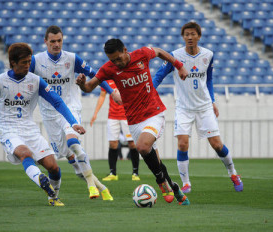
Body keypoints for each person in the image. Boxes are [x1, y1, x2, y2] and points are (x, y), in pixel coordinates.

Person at [76, 38, 190, 205]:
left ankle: (161, 182)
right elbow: (89, 87)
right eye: (112, 60)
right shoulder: (109, 68)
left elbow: (159, 51)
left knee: (142, 147)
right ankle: (175, 188)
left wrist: (179, 65)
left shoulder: (142, 54)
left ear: (125, 50)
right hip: (134, 120)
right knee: (155, 161)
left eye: (118, 58)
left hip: (154, 112)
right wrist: (82, 85)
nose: (116, 63)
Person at [0, 43, 86, 207]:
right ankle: (41, 179)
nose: (28, 65)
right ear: (13, 62)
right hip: (8, 129)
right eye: (24, 62)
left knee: (53, 167)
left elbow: (57, 101)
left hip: (30, 129)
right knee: (25, 153)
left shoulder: (36, 81)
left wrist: (73, 123)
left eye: (28, 62)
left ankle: (53, 197)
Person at [29, 25, 118, 200]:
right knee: (74, 164)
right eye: (52, 41)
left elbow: (97, 74)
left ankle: (92, 187)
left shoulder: (72, 58)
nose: (56, 44)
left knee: (73, 142)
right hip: (49, 115)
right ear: (45, 41)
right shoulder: (35, 61)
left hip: (70, 108)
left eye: (59, 41)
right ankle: (102, 188)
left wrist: (112, 92)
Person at [153, 21, 243, 193]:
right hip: (183, 108)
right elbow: (158, 76)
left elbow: (208, 79)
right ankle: (186, 183)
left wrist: (213, 100)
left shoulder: (208, 55)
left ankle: (233, 174)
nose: (189, 37)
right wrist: (149, 93)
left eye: (193, 34)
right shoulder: (174, 56)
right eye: (186, 34)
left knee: (217, 144)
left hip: (204, 107)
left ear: (199, 36)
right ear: (183, 37)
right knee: (182, 143)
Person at [90, 79, 140, 181]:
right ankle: (113, 173)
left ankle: (135, 173)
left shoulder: (126, 77)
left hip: (127, 116)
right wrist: (95, 113)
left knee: (132, 143)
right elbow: (102, 96)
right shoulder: (107, 80)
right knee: (113, 144)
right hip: (112, 116)